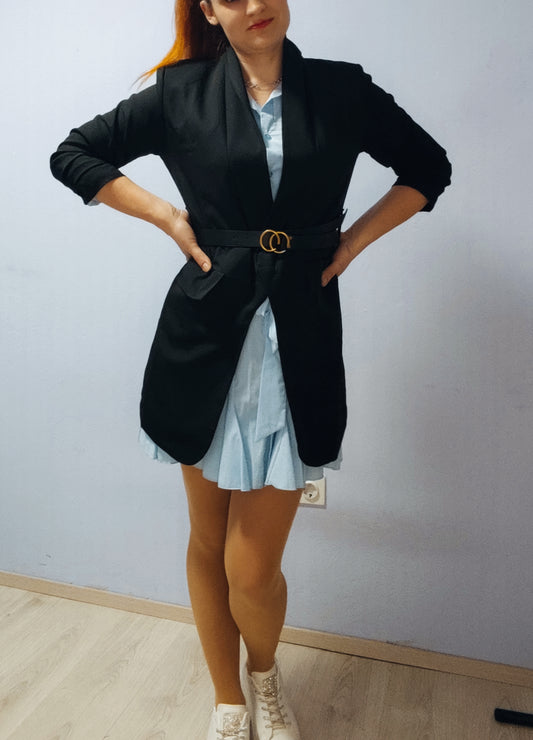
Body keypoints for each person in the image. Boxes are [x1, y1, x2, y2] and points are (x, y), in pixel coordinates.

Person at [50, 1, 451, 737]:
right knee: (207, 542)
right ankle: (227, 700)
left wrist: (351, 242)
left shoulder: (342, 90)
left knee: (253, 567)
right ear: (209, 8)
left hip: (298, 341)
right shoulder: (180, 94)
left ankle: (264, 675)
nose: (255, 5)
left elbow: (429, 168)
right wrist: (166, 216)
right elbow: (74, 154)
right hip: (203, 339)